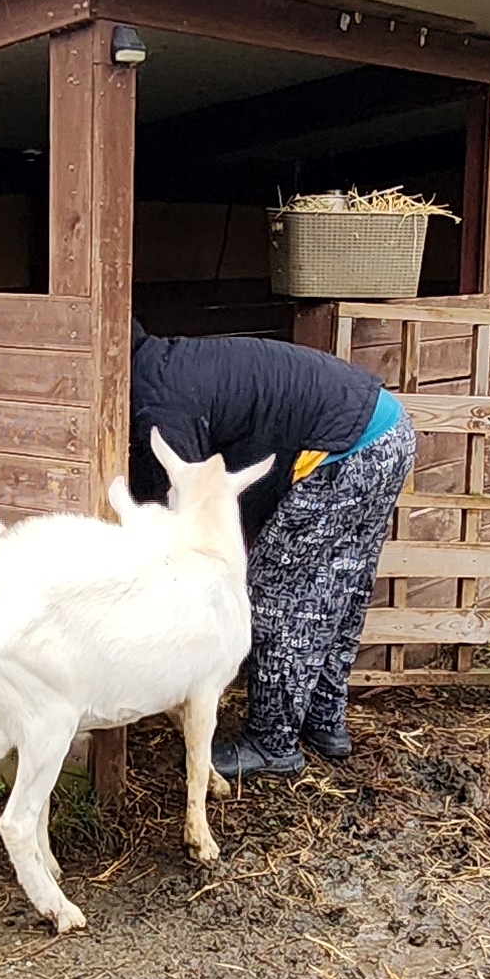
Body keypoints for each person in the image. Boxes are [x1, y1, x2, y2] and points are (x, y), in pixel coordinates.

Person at [126, 326, 415, 778]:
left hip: (343, 447)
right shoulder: (167, 362)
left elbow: (190, 504)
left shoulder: (158, 402)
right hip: (388, 429)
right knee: (341, 585)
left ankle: (272, 742)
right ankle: (324, 720)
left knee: (276, 597)